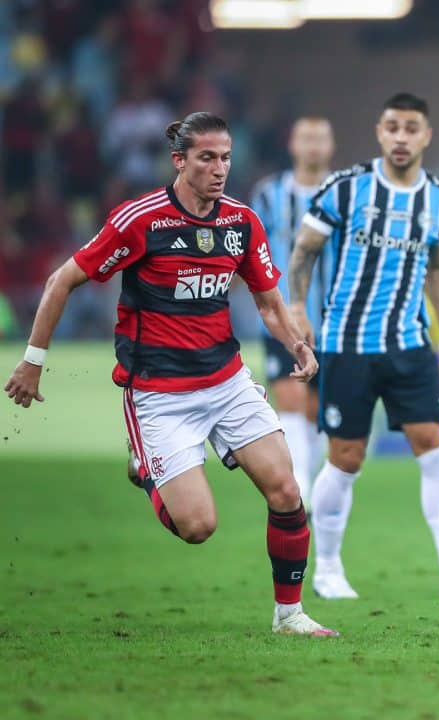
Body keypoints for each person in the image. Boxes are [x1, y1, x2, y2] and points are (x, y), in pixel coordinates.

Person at [4, 112, 336, 637]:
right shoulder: (141, 221)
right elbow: (61, 281)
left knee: (286, 491)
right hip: (158, 394)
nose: (219, 168)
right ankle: (147, 470)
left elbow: (269, 303)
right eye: (207, 157)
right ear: (179, 161)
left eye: (226, 157)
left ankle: (289, 615)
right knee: (199, 527)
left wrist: (295, 342)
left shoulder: (240, 223)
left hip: (225, 381)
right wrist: (32, 361)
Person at [288, 92, 439, 602]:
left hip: (410, 344)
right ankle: (327, 568)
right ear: (380, 132)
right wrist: (296, 307)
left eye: (411, 127)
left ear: (426, 135)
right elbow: (304, 250)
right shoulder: (346, 188)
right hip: (347, 344)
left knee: (435, 450)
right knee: (346, 457)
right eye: (392, 127)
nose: (401, 137)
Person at [249, 116, 335, 506]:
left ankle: (308, 480)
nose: (313, 146)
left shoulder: (345, 194)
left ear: (331, 146)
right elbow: (249, 251)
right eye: (306, 138)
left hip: (335, 322)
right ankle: (299, 485)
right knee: (290, 400)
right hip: (282, 319)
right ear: (293, 145)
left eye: (320, 139)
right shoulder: (268, 196)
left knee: (317, 412)